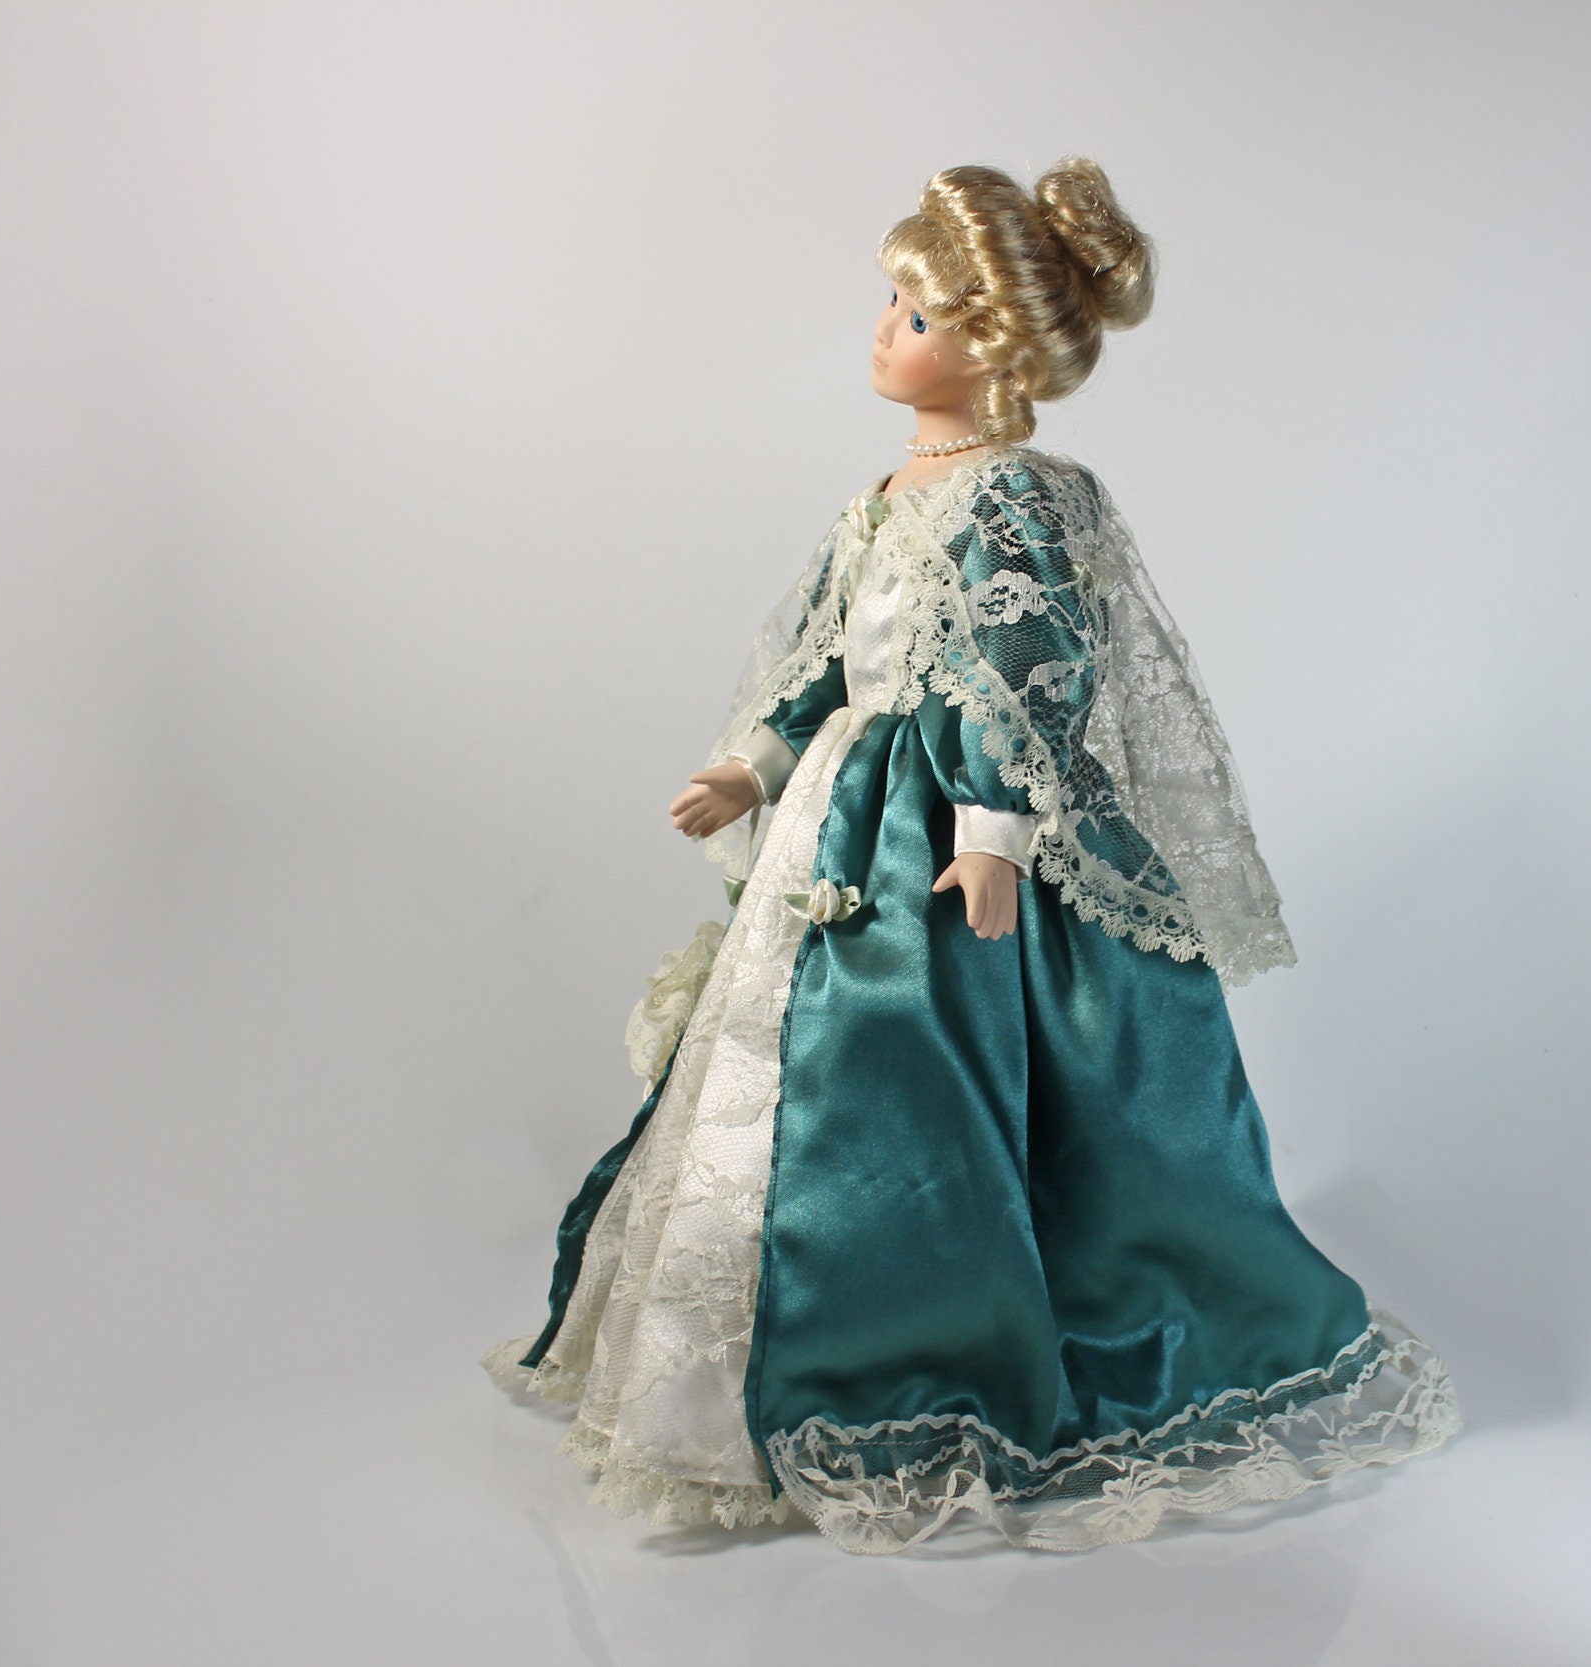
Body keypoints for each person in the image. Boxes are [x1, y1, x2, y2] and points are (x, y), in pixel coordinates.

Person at [483, 157, 1459, 1554]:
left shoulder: (1025, 500)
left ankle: (922, 1343)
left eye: (919, 315)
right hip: (847, 808)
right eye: (892, 304)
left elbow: (1032, 674)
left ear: (991, 348)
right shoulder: (883, 498)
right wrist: (752, 766)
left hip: (950, 830)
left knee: (926, 1073)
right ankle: (747, 1355)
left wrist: (995, 832)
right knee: (787, 1069)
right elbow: (828, 662)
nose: (887, 331)